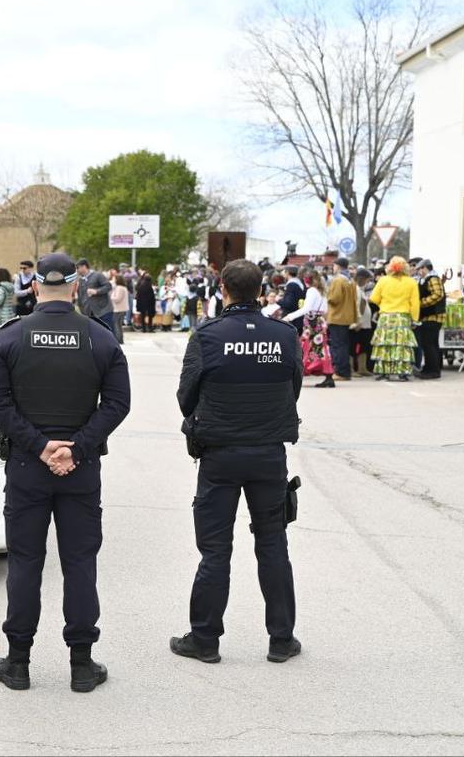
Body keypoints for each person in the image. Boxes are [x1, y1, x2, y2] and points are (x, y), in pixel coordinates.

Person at [0, 252, 131, 693]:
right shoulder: (99, 338)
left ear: (34, 287)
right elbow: (119, 404)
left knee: (26, 563)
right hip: (80, 470)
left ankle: (19, 663)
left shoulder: (10, 337)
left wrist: (40, 445)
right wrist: (76, 447)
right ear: (75, 286)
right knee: (79, 563)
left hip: (28, 466)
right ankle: (81, 665)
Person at [172, 259, 302, 665]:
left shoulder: (208, 336)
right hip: (268, 454)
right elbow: (293, 387)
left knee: (215, 551)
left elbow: (185, 398)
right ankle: (281, 640)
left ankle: (205, 639)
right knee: (273, 545)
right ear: (260, 289)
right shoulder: (284, 335)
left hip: (220, 455)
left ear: (222, 288)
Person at [369, 257, 420, 381]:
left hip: (386, 317)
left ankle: (383, 372)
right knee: (401, 346)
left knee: (384, 345)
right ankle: (402, 372)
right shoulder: (411, 282)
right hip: (402, 318)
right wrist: (414, 319)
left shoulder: (383, 281)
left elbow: (373, 298)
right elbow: (415, 303)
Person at [283, 268, 331, 383]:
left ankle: (299, 373)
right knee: (321, 348)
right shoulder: (322, 290)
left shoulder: (311, 291)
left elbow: (307, 308)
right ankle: (328, 374)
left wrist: (289, 317)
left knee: (305, 348)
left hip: (311, 322)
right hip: (320, 321)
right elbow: (325, 309)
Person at [320, 257, 357, 388]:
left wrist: (326, 294)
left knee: (337, 345)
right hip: (347, 316)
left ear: (338, 266)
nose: (333, 268)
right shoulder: (350, 280)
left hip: (337, 316)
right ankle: (345, 371)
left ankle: (341, 372)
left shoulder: (338, 280)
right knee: (344, 345)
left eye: (334, 265)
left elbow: (334, 299)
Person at [414, 259, 446, 380]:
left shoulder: (433, 278)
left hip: (434, 316)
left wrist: (422, 303)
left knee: (428, 344)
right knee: (431, 344)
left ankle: (432, 370)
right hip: (430, 316)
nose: (419, 272)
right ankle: (431, 368)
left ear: (426, 268)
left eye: (420, 269)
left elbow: (438, 294)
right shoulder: (428, 279)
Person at [76, 259, 114, 332]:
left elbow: (108, 286)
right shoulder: (81, 280)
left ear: (84, 267)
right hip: (89, 314)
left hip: (103, 312)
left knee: (108, 334)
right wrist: (81, 310)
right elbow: (80, 296)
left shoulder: (98, 275)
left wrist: (96, 291)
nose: (77, 270)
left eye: (78, 268)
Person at [352, 268, 376, 376]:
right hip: (359, 323)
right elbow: (358, 306)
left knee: (364, 346)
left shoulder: (360, 289)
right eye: (367, 279)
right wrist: (358, 320)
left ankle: (362, 368)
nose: (368, 282)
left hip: (365, 324)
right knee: (353, 346)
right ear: (361, 279)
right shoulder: (355, 289)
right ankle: (352, 369)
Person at [0, 268, 16, 334]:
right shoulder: (10, 287)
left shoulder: (1, 288)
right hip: (10, 314)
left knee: (0, 335)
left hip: (2, 316)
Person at [110, 274, 130, 344]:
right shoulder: (123, 287)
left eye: (114, 279)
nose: (113, 280)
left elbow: (117, 299)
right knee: (119, 325)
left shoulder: (119, 288)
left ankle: (118, 340)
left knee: (117, 325)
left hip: (118, 309)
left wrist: (111, 296)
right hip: (122, 308)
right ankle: (120, 339)